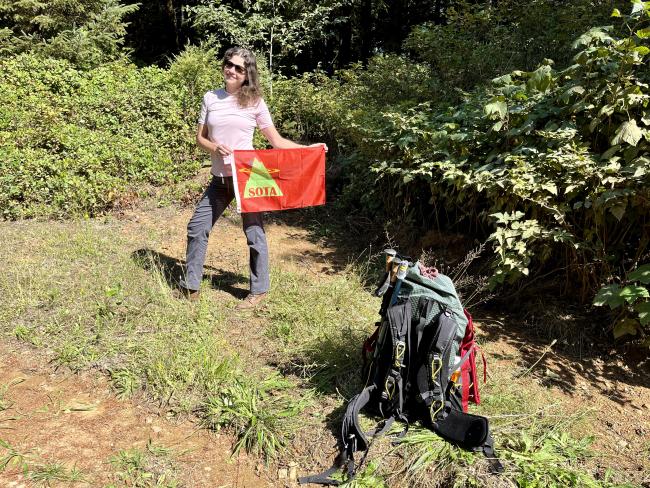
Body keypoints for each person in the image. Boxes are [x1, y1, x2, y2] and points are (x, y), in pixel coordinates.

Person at [177, 46, 324, 308]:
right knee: (197, 227)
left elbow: (277, 142)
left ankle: (259, 291)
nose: (231, 70)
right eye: (229, 64)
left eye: (239, 68)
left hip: (249, 175)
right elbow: (200, 138)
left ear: (247, 75)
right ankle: (191, 287)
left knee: (254, 232)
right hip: (221, 178)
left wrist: (309, 150)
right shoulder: (210, 98)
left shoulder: (255, 102)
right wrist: (214, 147)